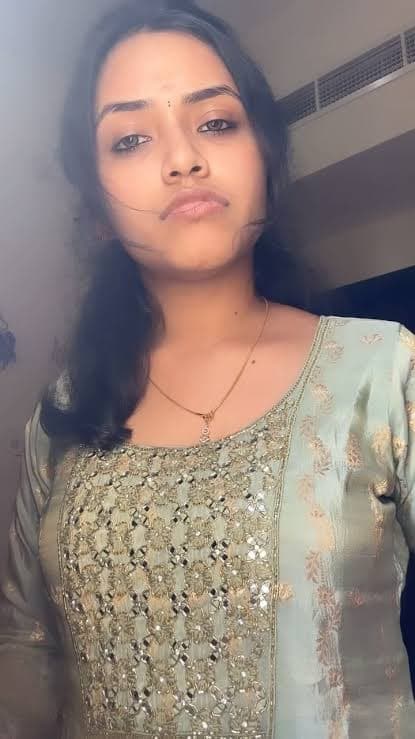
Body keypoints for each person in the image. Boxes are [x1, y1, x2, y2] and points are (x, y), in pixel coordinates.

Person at [1, 1, 415, 736]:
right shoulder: (64, 414)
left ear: (266, 160)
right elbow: (25, 651)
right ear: (96, 207)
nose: (182, 158)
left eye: (217, 122)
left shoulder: (382, 373)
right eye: (130, 139)